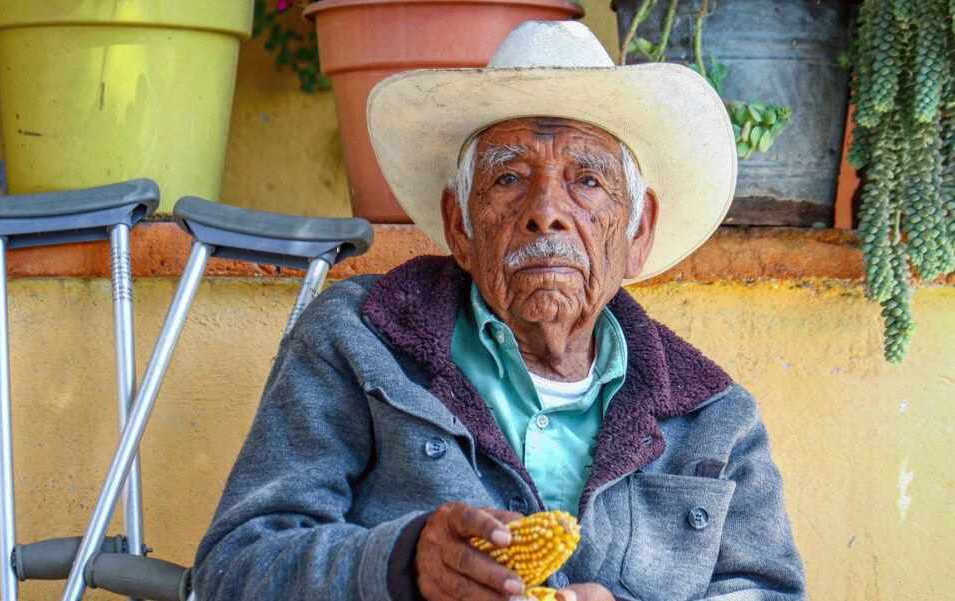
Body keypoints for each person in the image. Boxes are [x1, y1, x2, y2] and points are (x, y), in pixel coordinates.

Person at [193, 20, 807, 601]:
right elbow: (235, 567)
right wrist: (403, 564)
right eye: (509, 178)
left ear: (637, 231)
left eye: (587, 181)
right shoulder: (360, 339)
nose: (547, 211)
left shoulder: (714, 418)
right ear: (459, 225)